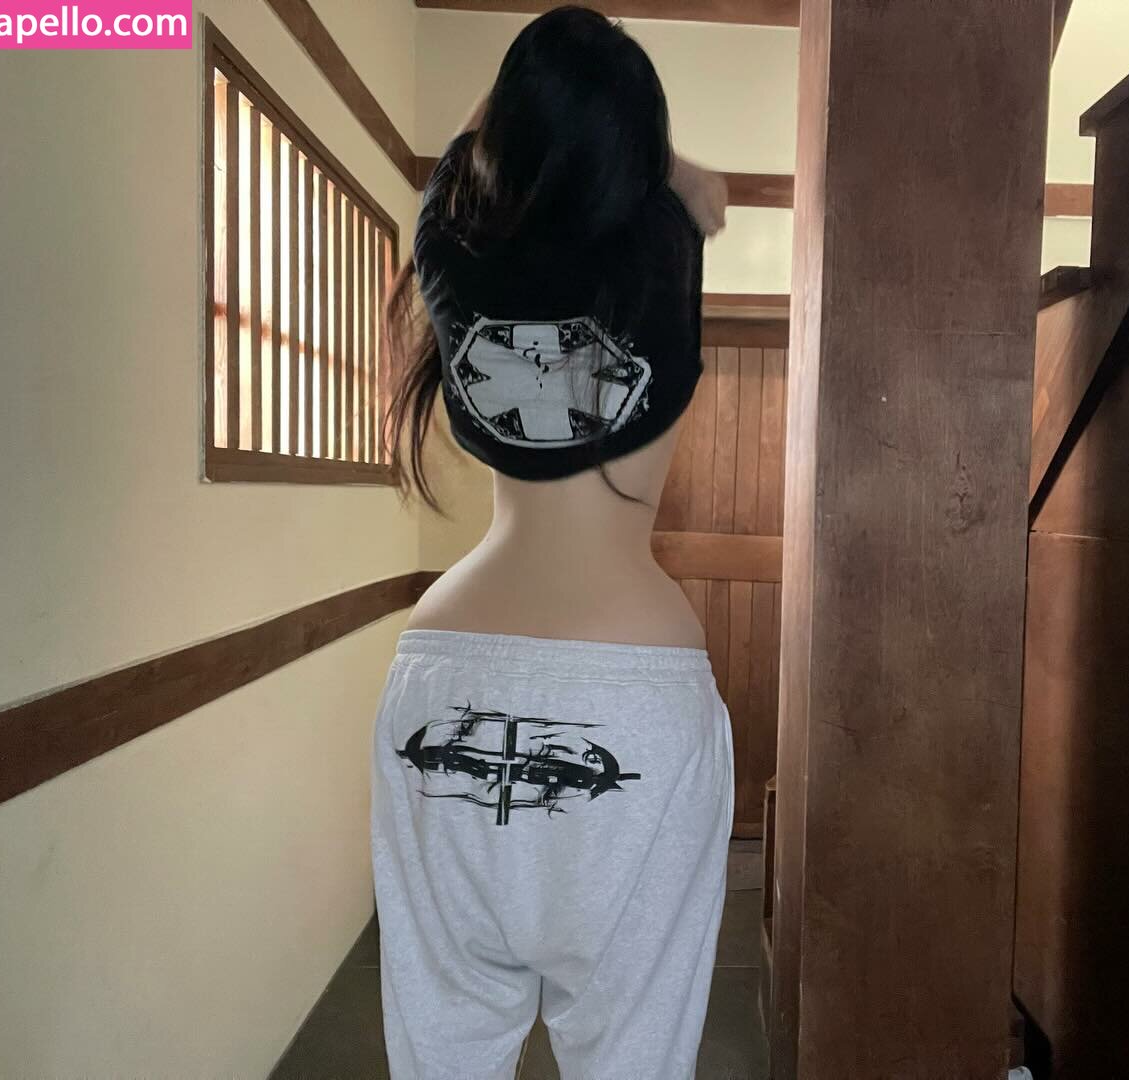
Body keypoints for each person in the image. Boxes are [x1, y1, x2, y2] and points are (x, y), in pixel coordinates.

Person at [370, 8, 734, 1078]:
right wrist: (661, 154)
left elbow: (477, 141)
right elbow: (699, 190)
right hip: (639, 683)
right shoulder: (667, 244)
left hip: (443, 668)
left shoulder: (451, 246)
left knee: (440, 1050)